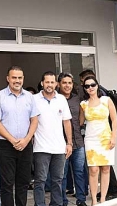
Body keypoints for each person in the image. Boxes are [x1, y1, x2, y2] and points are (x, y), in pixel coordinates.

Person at [0, 66, 39, 206]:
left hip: (26, 145)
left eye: (20, 78)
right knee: (7, 184)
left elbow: (34, 120)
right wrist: (12, 140)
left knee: (23, 183)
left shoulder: (29, 96)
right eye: (14, 77)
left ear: (23, 79)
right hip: (6, 145)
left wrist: (26, 139)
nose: (17, 80)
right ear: (8, 79)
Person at [32, 71, 73, 206]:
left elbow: (66, 122)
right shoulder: (34, 99)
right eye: (47, 82)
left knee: (58, 180)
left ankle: (57, 204)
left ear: (56, 84)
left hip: (59, 148)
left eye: (52, 82)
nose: (49, 85)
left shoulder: (61, 99)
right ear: (42, 83)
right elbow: (30, 122)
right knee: (40, 180)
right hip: (40, 147)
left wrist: (69, 143)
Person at [78, 69, 117, 201]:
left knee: (106, 168)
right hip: (91, 139)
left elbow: (114, 119)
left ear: (97, 86)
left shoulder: (106, 100)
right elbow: (80, 122)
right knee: (94, 169)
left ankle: (102, 199)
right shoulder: (83, 104)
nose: (90, 88)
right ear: (84, 88)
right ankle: (94, 200)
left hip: (105, 138)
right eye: (87, 86)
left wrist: (114, 137)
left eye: (92, 85)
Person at [59, 72, 88, 206]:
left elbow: (82, 117)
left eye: (69, 83)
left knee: (79, 173)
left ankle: (81, 200)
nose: (67, 85)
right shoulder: (56, 99)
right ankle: (63, 201)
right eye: (64, 83)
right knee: (62, 175)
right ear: (59, 84)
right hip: (61, 144)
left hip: (78, 142)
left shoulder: (78, 99)